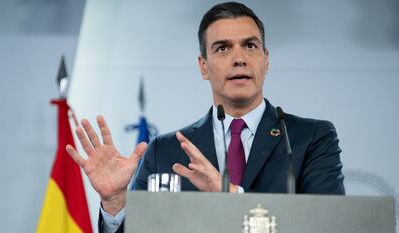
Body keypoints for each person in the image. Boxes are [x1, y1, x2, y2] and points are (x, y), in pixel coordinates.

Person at [66, 2, 345, 233]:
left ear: (266, 59)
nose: (239, 59)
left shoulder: (310, 138)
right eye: (222, 48)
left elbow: (331, 225)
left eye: (250, 46)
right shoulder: (165, 150)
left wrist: (232, 199)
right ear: (203, 66)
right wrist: (115, 202)